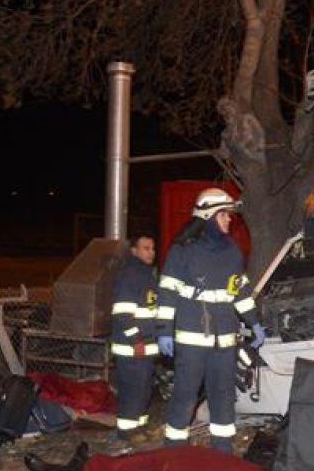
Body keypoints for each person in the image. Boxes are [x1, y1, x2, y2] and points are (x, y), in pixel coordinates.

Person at [155, 188, 266, 453]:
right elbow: (167, 293)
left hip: (224, 341)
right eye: (225, 214)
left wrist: (254, 322)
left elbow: (239, 292)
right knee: (185, 394)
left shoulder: (232, 252)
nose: (230, 220)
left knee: (224, 395)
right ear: (210, 214)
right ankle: (175, 448)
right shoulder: (184, 251)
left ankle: (222, 449)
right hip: (192, 339)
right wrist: (163, 331)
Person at [109, 235, 159, 440]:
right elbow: (122, 314)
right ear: (134, 251)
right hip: (132, 347)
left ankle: (141, 427)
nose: (151, 252)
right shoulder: (130, 276)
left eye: (153, 248)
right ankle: (127, 432)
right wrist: (136, 340)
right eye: (145, 248)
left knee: (144, 390)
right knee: (132, 390)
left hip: (146, 346)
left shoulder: (148, 275)